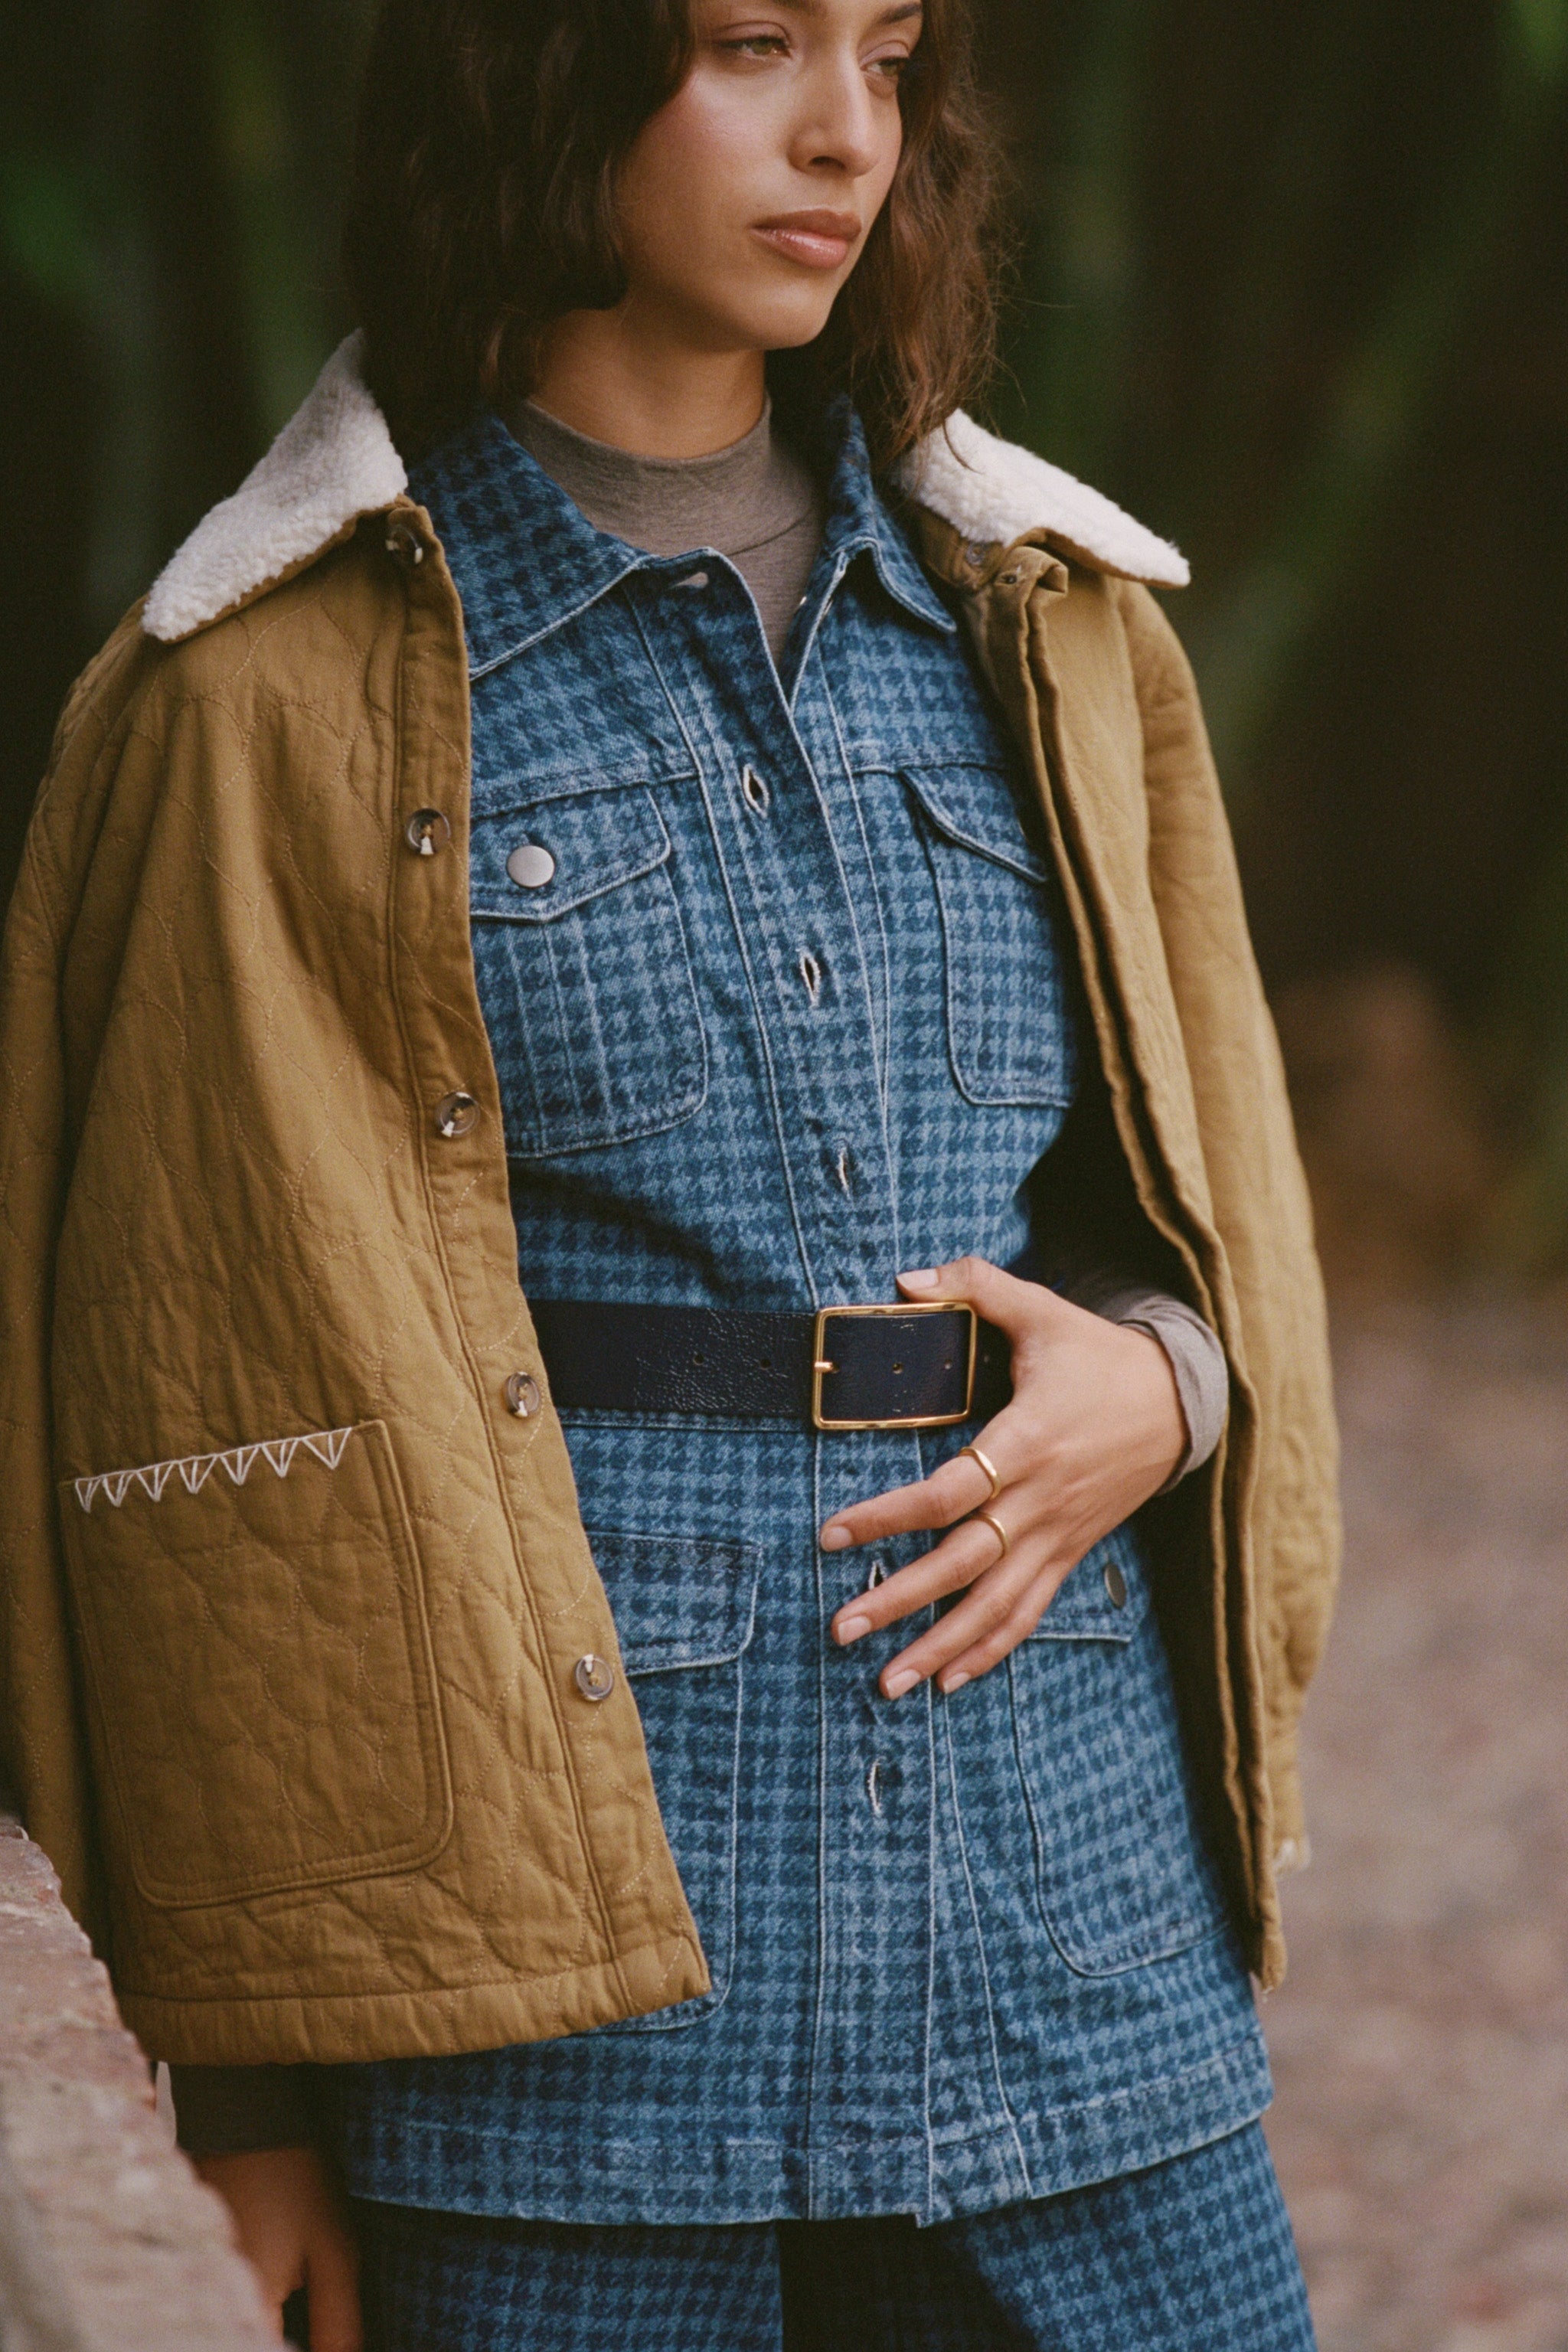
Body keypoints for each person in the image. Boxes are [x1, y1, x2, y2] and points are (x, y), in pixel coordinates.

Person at [0, 0, 1340, 2344]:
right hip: (550, 2008)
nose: (847, 130)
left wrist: (1167, 1383)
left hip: (1072, 1921)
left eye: (891, 52)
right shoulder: (271, 689)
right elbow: (205, 1441)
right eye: (749, 45)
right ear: (538, 77)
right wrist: (253, 2099)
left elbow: (1205, 1204)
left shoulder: (1050, 622)